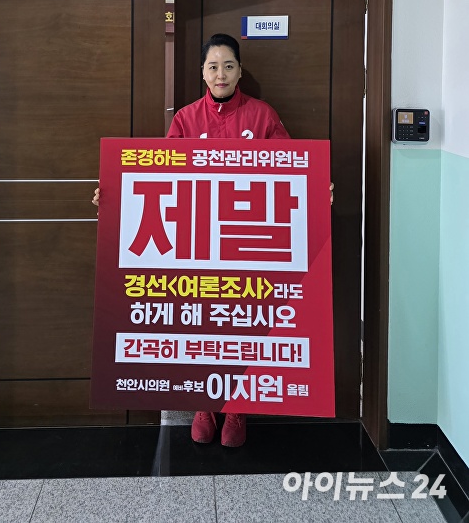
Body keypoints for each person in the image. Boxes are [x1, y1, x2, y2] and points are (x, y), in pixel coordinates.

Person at [92, 33, 331, 447]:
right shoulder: (185, 119)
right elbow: (160, 178)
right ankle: (204, 403)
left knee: (243, 321)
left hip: (246, 242)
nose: (221, 74)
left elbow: (290, 170)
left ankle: (237, 408)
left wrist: (316, 191)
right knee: (204, 319)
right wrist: (115, 197)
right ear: (202, 73)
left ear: (240, 71)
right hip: (198, 244)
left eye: (228, 66)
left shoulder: (262, 115)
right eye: (213, 66)